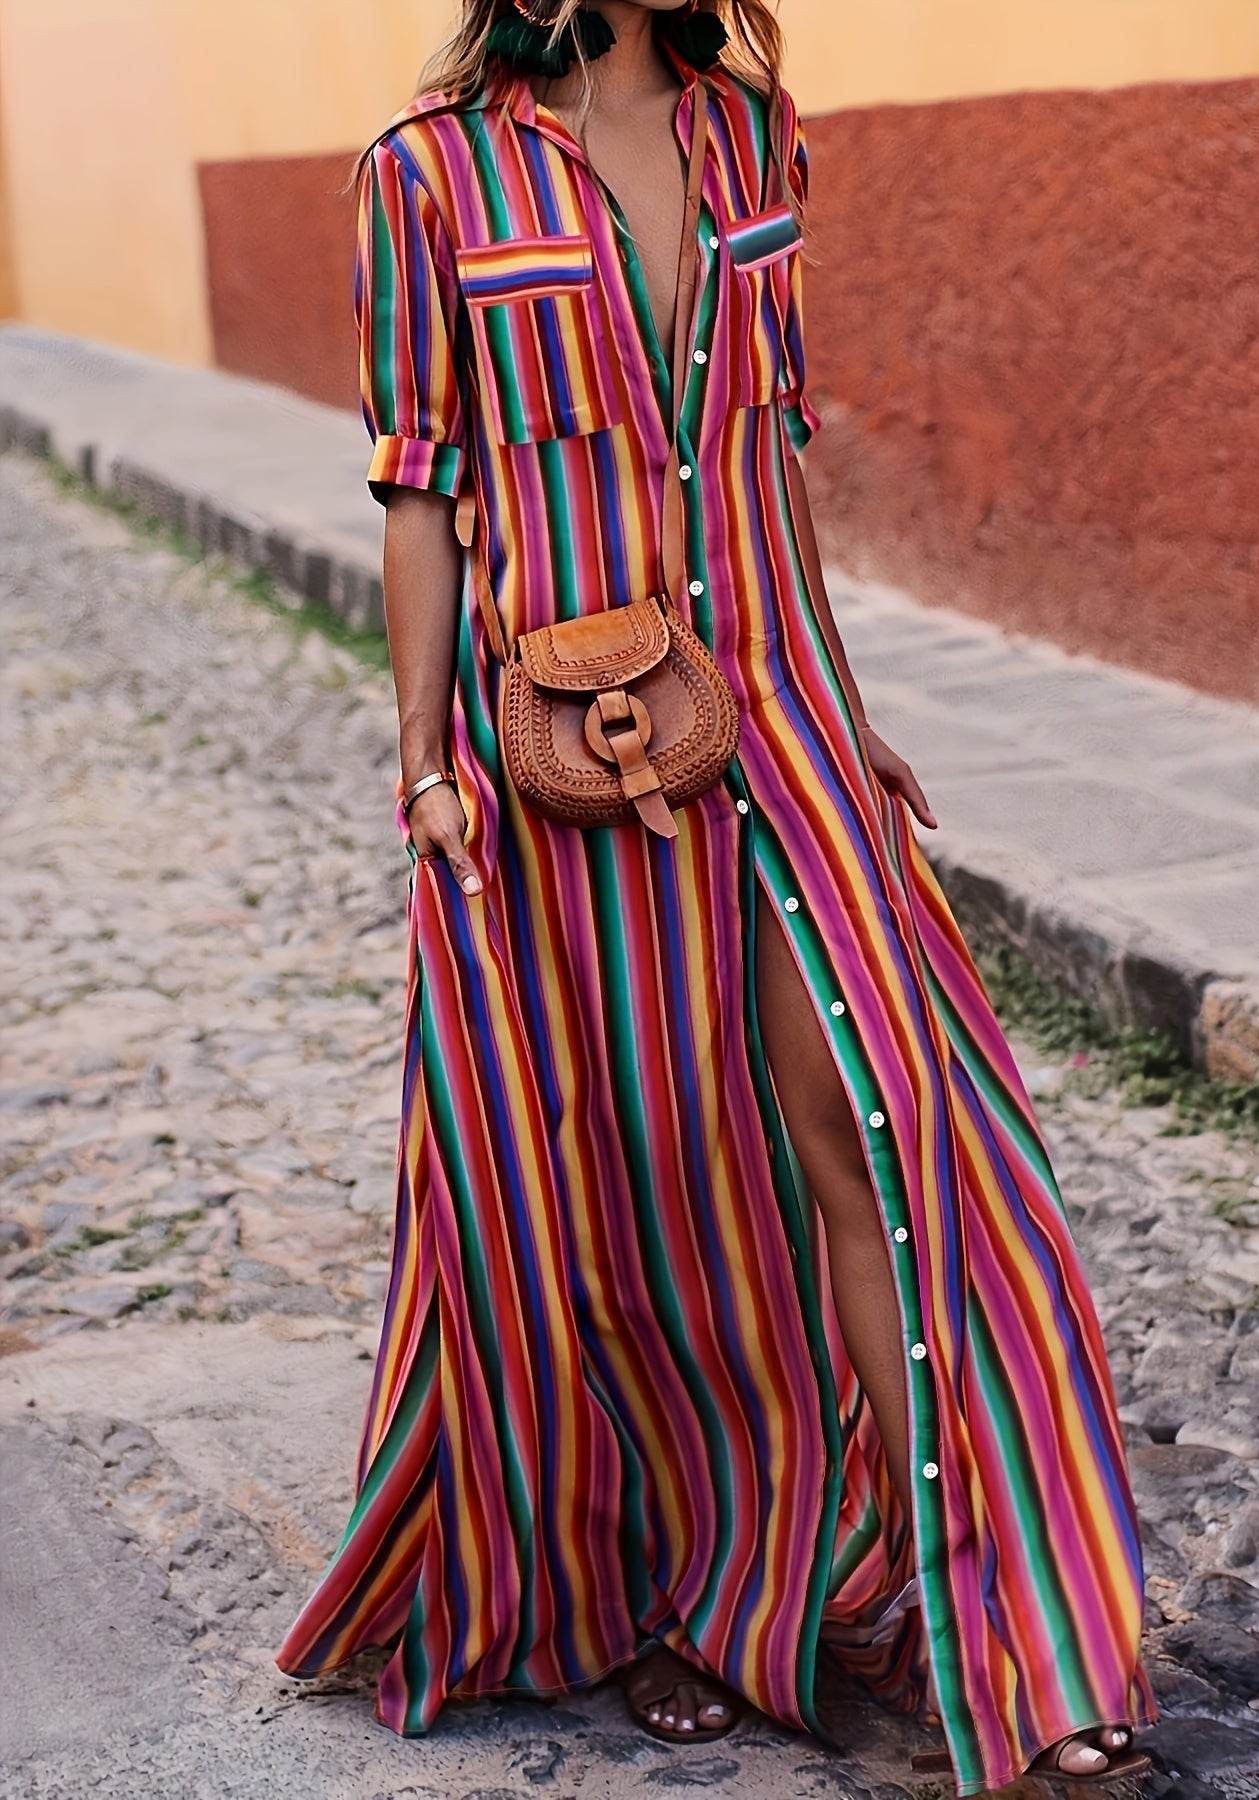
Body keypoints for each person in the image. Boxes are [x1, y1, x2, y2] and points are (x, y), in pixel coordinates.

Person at [276, 2, 1156, 1789]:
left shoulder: (749, 137)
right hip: (564, 756)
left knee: (895, 1130)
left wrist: (846, 698)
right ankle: (711, 1587)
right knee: (649, 1184)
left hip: (775, 717)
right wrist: (427, 764)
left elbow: (768, 454)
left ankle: (997, 1623)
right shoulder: (427, 172)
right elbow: (421, 490)